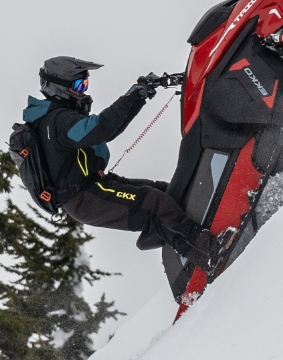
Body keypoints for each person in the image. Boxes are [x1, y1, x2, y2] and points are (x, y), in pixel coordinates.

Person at [21, 56, 230, 271]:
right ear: (59, 88)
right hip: (84, 197)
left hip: (96, 185)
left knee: (165, 191)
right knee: (154, 202)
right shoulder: (56, 120)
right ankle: (210, 254)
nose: (83, 90)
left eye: (85, 84)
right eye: (78, 85)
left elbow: (107, 131)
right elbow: (100, 128)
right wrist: (130, 97)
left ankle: (203, 234)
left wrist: (138, 97)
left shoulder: (58, 117)